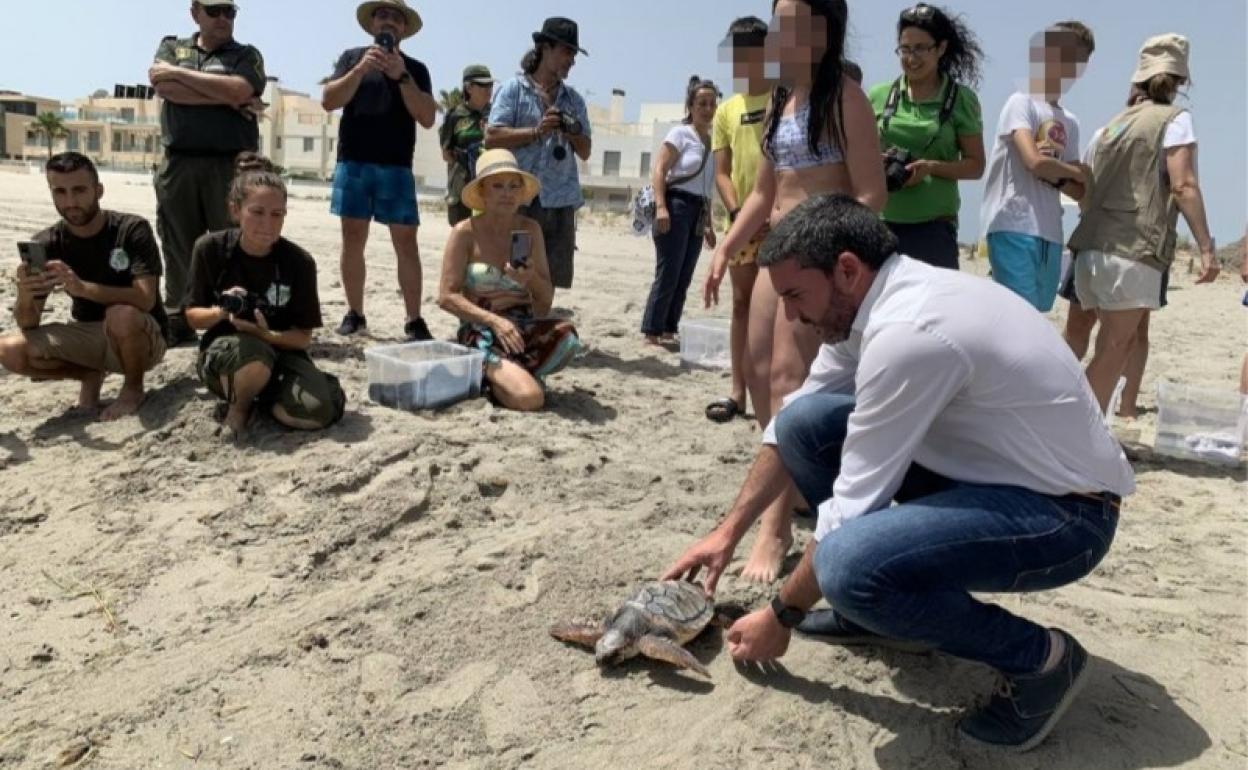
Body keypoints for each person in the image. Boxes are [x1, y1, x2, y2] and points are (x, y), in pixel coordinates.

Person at [664, 194, 1135, 752]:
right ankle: (880, 618)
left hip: (1068, 516)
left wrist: (781, 615)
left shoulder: (909, 331)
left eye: (795, 296)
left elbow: (846, 516)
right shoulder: (866, 305)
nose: (790, 315)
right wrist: (727, 533)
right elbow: (793, 421)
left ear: (846, 269)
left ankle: (1043, 660)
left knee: (846, 565)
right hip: (994, 477)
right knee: (806, 426)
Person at [702, 0, 886, 583]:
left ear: (825, 31)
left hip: (816, 260)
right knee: (760, 375)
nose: (786, 33)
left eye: (798, 21)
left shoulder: (844, 98)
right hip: (775, 255)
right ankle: (794, 485)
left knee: (788, 382)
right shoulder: (782, 98)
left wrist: (831, 260)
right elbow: (763, 192)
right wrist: (728, 247)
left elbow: (871, 192)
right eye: (780, 20)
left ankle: (774, 527)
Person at [1069, 34, 1218, 414]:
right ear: (1180, 81)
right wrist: (1205, 247)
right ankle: (1073, 433)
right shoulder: (1175, 120)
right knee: (1115, 349)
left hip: (1089, 250)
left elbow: (1084, 186)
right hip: (1134, 250)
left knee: (1102, 345)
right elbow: (1183, 184)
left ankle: (1086, 433)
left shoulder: (1110, 126)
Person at [184, 155, 345, 439]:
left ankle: (269, 396)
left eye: (276, 215)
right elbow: (193, 317)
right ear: (236, 211)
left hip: (280, 350)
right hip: (227, 354)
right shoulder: (211, 249)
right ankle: (240, 408)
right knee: (252, 355)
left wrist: (264, 333)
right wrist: (222, 312)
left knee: (317, 412)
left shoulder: (299, 262)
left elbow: (302, 338)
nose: (267, 224)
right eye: (257, 212)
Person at [0, 153, 167, 421]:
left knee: (120, 314)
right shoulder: (47, 243)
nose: (70, 202)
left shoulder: (131, 229)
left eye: (79, 190)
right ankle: (87, 374)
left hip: (143, 338)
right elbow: (29, 323)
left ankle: (133, 388)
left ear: (98, 190)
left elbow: (146, 299)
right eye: (60, 192)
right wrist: (25, 293)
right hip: (88, 336)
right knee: (8, 350)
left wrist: (82, 288)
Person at [149, 0, 266, 347]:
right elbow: (164, 89)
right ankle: (179, 318)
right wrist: (224, 95)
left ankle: (234, 315)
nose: (222, 18)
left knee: (233, 243)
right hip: (179, 163)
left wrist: (182, 76)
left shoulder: (247, 55)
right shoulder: (171, 46)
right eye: (214, 11)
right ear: (195, 13)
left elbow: (241, 89)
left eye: (229, 12)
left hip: (230, 164)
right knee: (177, 243)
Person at [322, 0, 437, 341]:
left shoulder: (416, 69)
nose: (389, 22)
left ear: (404, 29)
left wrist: (400, 75)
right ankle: (355, 313)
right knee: (352, 240)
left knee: (406, 245)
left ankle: (414, 319)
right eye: (383, 15)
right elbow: (329, 100)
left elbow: (428, 117)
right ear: (372, 23)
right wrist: (359, 70)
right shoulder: (350, 58)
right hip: (353, 162)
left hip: (397, 166)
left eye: (396, 18)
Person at [437, 150, 581, 411]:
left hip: (521, 326)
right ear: (482, 192)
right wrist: (494, 321)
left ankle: (504, 374)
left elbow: (545, 301)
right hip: (481, 328)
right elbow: (446, 296)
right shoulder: (465, 233)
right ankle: (491, 370)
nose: (507, 193)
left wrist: (529, 279)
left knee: (567, 336)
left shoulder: (530, 229)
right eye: (498, 185)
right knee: (531, 398)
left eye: (514, 186)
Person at [980, 21, 1094, 312]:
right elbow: (1034, 162)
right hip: (1013, 224)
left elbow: (1079, 191)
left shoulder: (1070, 120)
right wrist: (1068, 170)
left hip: (1050, 230)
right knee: (1019, 316)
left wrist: (1059, 171)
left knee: (1038, 312)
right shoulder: (1020, 103)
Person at [868, 3, 985, 270]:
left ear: (941, 48)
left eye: (921, 48)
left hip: (934, 228)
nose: (912, 58)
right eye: (905, 49)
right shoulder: (878, 95)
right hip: (882, 224)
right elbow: (861, 157)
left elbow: (976, 166)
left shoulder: (961, 100)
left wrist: (931, 168)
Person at [485, 17, 592, 292]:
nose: (572, 61)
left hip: (559, 202)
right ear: (545, 48)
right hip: (520, 199)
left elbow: (586, 150)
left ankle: (539, 327)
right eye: (567, 52)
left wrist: (568, 130)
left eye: (573, 54)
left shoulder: (574, 100)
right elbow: (492, 137)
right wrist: (536, 132)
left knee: (550, 278)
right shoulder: (513, 90)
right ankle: (513, 321)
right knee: (514, 270)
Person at [705, 16, 771, 424]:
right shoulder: (726, 110)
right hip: (741, 223)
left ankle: (774, 390)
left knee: (780, 309)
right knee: (742, 305)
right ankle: (738, 391)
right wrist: (737, 213)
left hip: (781, 220)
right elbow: (722, 171)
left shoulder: (785, 98)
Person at [642, 78, 719, 346]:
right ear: (690, 106)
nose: (707, 109)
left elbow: (707, 187)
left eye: (711, 103)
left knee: (685, 274)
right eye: (702, 103)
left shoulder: (712, 141)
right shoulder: (680, 134)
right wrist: (662, 206)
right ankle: (652, 330)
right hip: (675, 205)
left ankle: (668, 328)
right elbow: (660, 169)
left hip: (698, 210)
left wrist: (709, 224)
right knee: (669, 271)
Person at [440, 65, 496, 226]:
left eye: (490, 85)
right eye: (483, 85)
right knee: (462, 233)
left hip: (491, 186)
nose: (488, 89)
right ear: (468, 87)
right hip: (461, 186)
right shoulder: (455, 115)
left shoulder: (496, 114)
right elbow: (446, 153)